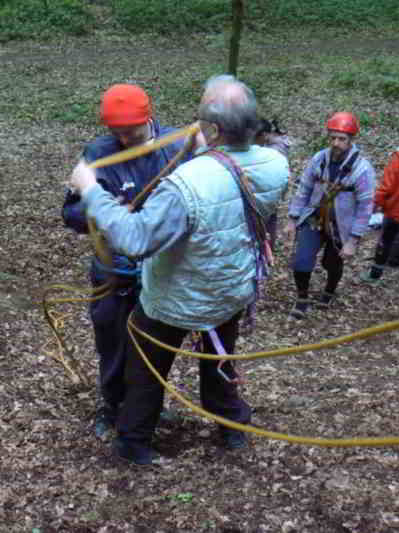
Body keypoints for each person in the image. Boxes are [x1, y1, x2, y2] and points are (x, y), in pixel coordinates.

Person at [70, 74, 289, 465]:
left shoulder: (187, 180)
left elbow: (136, 239)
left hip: (175, 296)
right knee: (218, 357)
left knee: (147, 368)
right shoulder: (276, 164)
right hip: (230, 288)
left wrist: (91, 189)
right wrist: (209, 149)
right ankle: (231, 426)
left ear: (215, 128)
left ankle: (133, 441)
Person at [62, 83, 189, 437]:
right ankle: (111, 406)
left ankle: (146, 409)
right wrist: (103, 210)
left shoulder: (177, 149)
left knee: (153, 347)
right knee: (113, 343)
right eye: (114, 130)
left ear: (147, 119)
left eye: (129, 130)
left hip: (161, 271)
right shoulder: (99, 153)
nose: (122, 137)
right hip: (113, 272)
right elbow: (70, 213)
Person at [284, 111, 376, 319]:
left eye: (342, 139)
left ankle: (329, 291)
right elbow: (304, 188)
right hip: (315, 217)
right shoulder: (319, 159)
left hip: (341, 224)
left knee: (332, 263)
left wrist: (353, 239)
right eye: (332, 137)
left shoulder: (362, 169)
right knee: (302, 260)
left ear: (351, 140)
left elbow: (365, 206)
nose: (336, 143)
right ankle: (302, 298)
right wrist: (292, 218)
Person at [361, 148, 399, 283]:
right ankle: (394, 262)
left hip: (396, 210)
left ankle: (375, 274)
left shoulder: (398, 158)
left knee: (386, 240)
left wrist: (376, 203)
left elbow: (387, 186)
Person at [254, 118, 291, 251]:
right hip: (266, 192)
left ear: (264, 135)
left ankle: (267, 251)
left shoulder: (277, 149)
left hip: (267, 193)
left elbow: (278, 174)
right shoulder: (269, 143)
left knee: (268, 223)